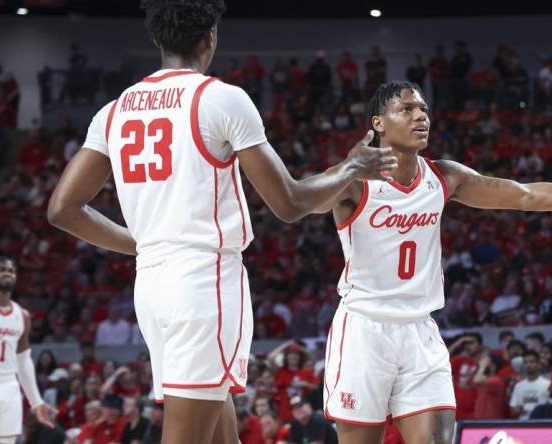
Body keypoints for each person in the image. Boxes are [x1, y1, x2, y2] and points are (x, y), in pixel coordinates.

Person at [46, 1, 395, 443]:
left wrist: (142, 244)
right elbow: (288, 204)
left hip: (152, 283)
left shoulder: (114, 110)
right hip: (202, 282)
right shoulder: (221, 99)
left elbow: (62, 209)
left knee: (217, 424)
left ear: (156, 39)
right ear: (210, 37)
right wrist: (350, 168)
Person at [320, 80, 552, 442]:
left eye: (424, 109)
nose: (421, 117)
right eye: (407, 109)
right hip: (365, 328)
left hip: (420, 329)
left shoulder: (444, 176)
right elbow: (297, 203)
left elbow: (527, 196)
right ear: (378, 123)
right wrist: (345, 169)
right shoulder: (354, 182)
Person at [0, 257, 55, 444]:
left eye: (11, 270)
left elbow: (23, 361)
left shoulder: (22, 315)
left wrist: (36, 402)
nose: (7, 273)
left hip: (8, 387)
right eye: (1, 269)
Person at [509, 350, 550, 419]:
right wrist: (517, 410)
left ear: (538, 364)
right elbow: (513, 410)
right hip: (523, 425)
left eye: (532, 362)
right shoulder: (518, 386)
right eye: (525, 362)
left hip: (541, 425)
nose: (528, 365)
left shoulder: (547, 384)